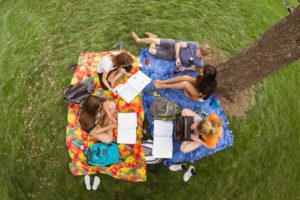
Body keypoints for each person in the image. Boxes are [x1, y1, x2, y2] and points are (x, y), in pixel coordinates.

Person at [169, 108, 223, 182]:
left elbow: (211, 147)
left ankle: (193, 136)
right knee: (184, 111)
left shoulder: (212, 139)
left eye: (198, 130)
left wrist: (198, 140)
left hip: (201, 139)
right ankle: (194, 128)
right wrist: (196, 124)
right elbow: (201, 121)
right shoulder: (212, 117)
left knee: (183, 149)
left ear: (204, 134)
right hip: (204, 125)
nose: (195, 129)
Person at [131, 31, 211, 71]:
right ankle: (139, 40)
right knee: (159, 41)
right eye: (199, 51)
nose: (198, 53)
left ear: (203, 56)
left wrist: (185, 69)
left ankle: (152, 37)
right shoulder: (195, 45)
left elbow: (195, 68)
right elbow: (178, 44)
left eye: (200, 54)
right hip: (173, 44)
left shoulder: (199, 63)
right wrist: (178, 57)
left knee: (151, 50)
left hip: (170, 55)